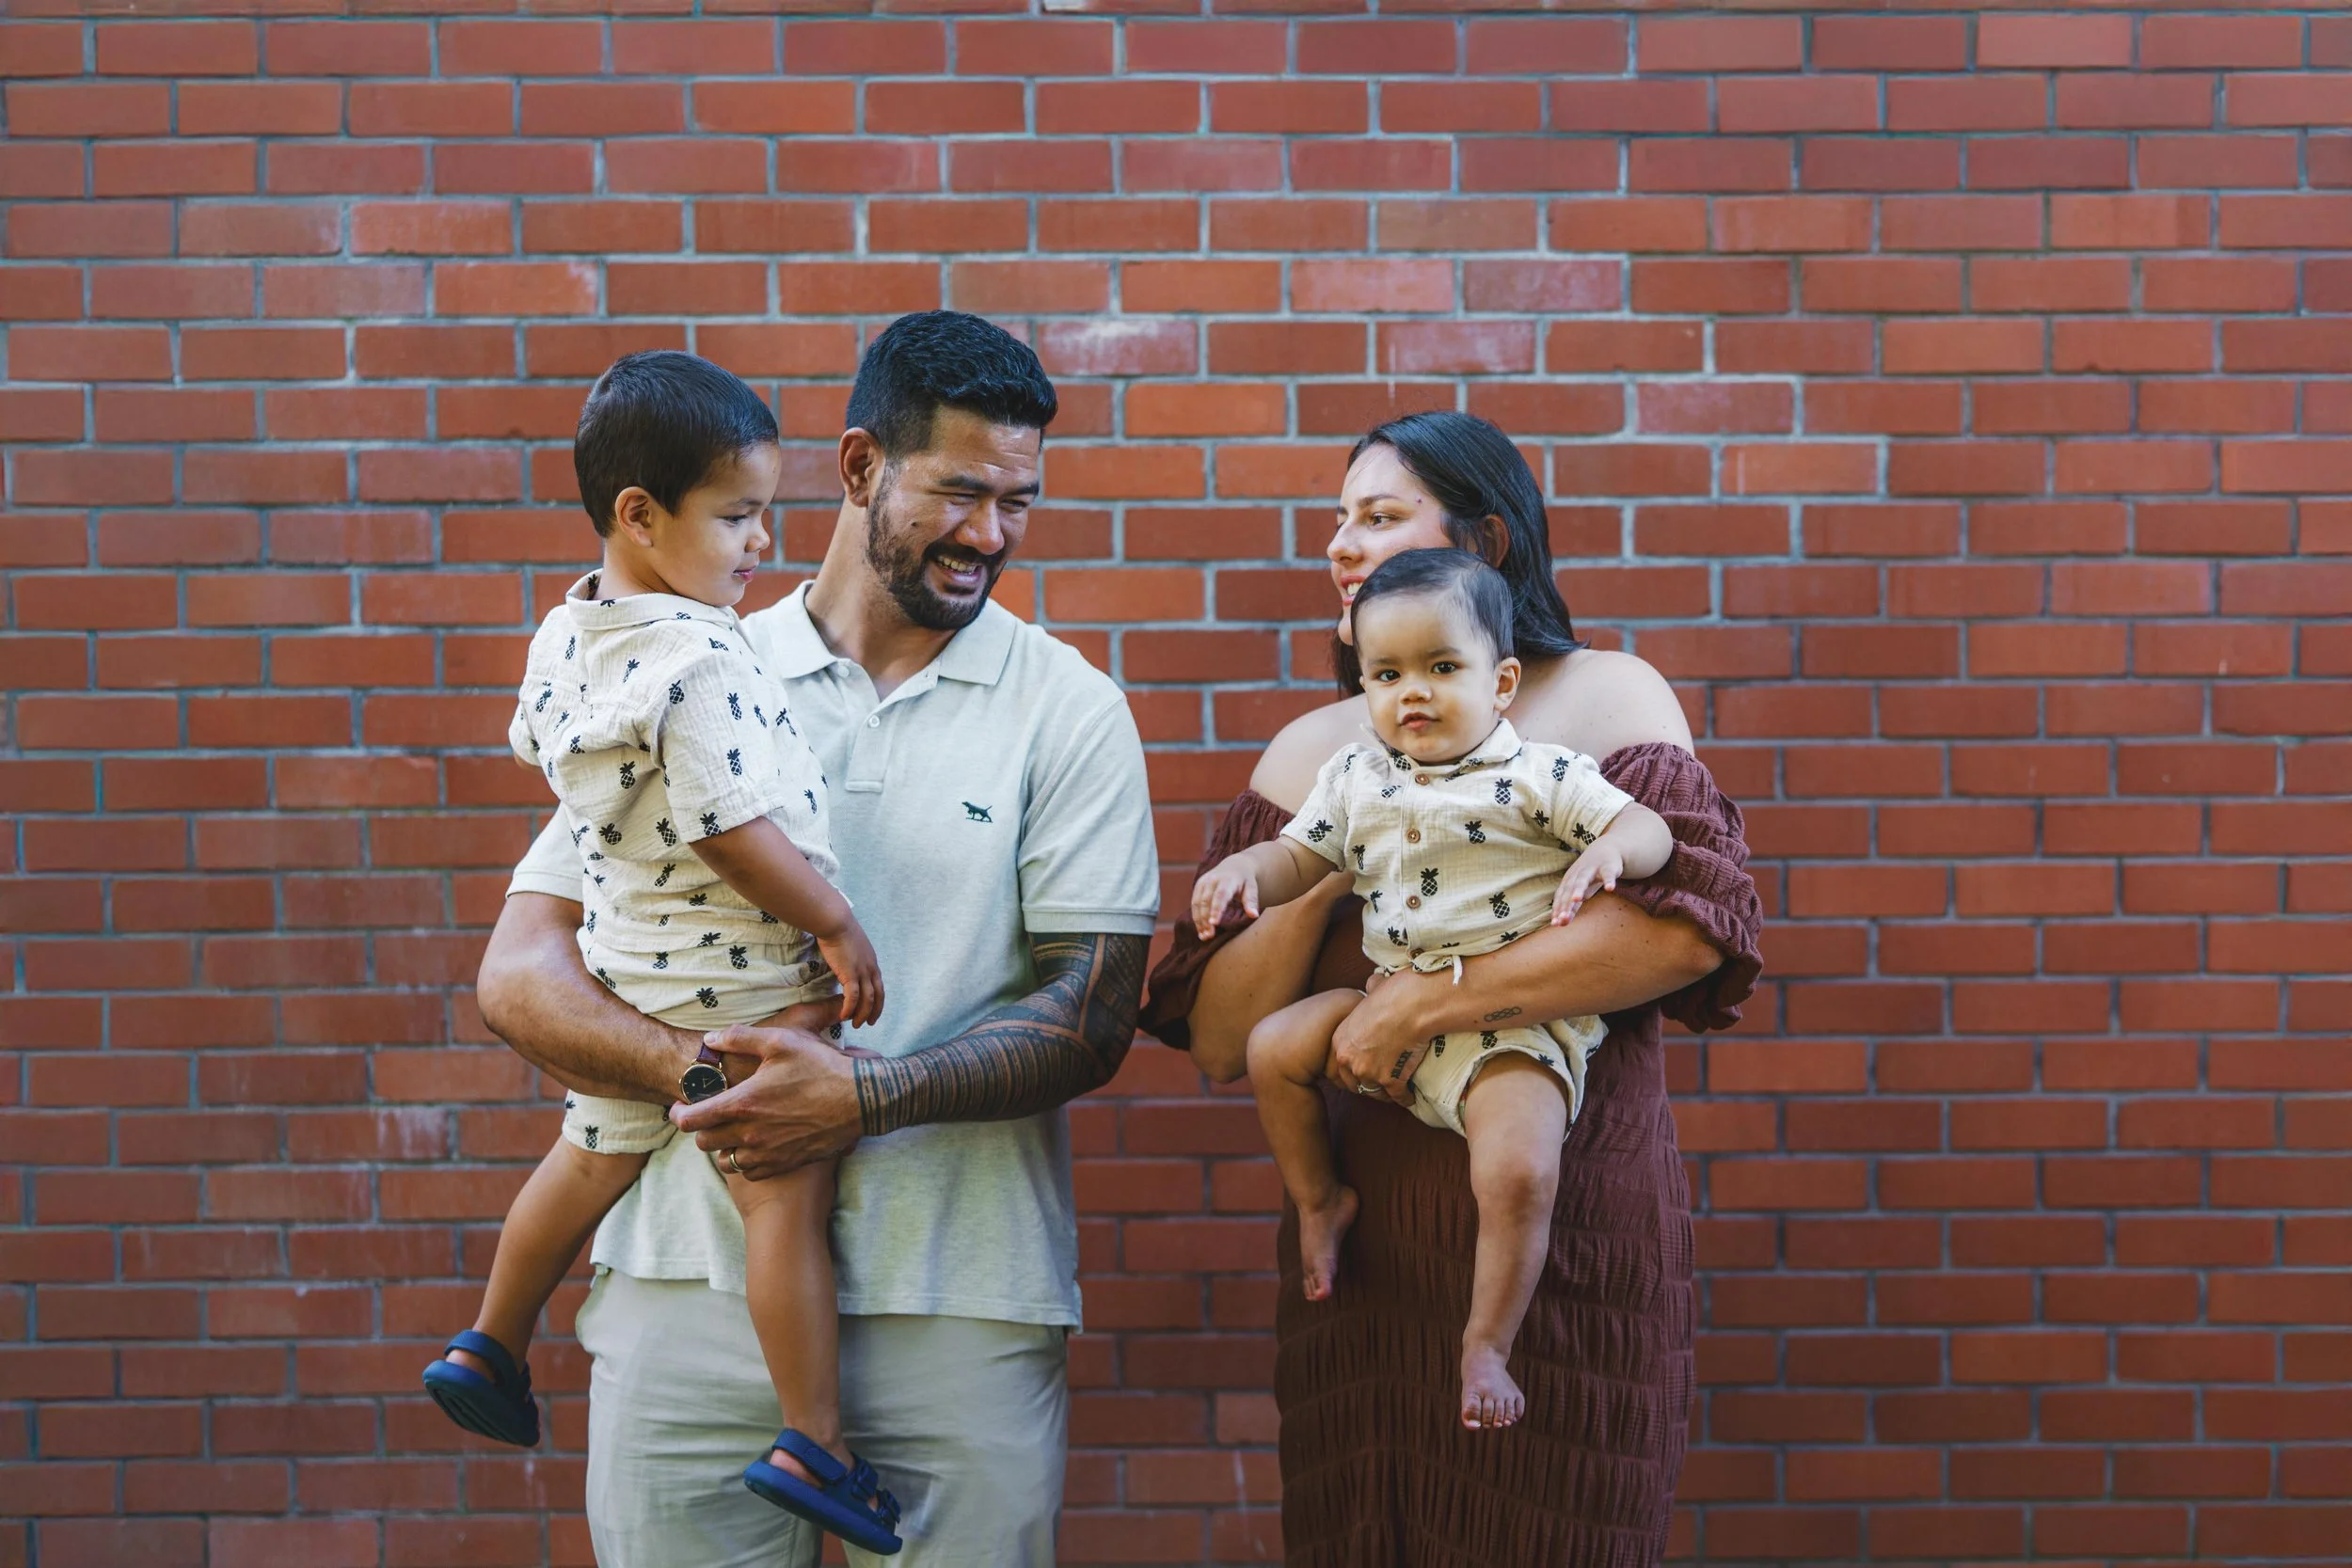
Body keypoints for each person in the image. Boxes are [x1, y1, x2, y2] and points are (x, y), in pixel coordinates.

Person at [473, 311, 1160, 1568]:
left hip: (959, 1302)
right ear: (856, 468)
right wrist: (711, 1085)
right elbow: (520, 974)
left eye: (1019, 501)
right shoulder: (683, 661)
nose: (991, 533)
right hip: (684, 1293)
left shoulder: (1071, 708)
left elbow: (1096, 1010)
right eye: (960, 490)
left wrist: (862, 1097)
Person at [1141, 410, 1762, 1566]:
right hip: (1365, 1268)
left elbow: (1685, 934)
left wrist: (1419, 1000)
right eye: (1338, 518)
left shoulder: (1603, 700)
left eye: (1377, 517)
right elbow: (1225, 1036)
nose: (1338, 544)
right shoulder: (1316, 753)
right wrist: (1339, 862)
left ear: (1481, 545)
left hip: (1557, 1236)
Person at [422, 351, 902, 1554]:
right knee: (782, 1196)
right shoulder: (700, 660)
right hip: (743, 982)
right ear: (641, 514)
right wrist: (834, 923)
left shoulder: (572, 631)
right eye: (737, 517)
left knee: (588, 1156)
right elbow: (728, 824)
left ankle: (490, 1338)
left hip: (631, 964)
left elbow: (548, 753)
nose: (758, 545)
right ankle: (815, 1438)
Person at [1191, 548, 1674, 1433]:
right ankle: (1318, 1199)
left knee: (1521, 1166)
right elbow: (1301, 855)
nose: (1411, 692)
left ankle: (1487, 1343)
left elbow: (1646, 826)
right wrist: (1243, 870)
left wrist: (1614, 851)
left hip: (1509, 1033)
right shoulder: (1356, 777)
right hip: (1388, 1004)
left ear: (1502, 683)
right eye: (1387, 674)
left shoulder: (1538, 773)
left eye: (1441, 668)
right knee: (1273, 1050)